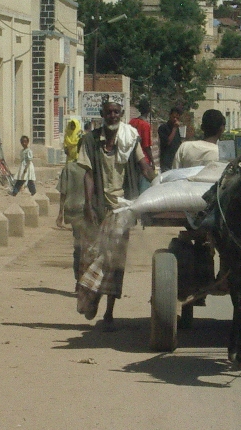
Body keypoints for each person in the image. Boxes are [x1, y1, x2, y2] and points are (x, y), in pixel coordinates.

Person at [76, 101, 155, 331]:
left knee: (113, 260)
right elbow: (88, 175)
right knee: (90, 256)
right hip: (99, 207)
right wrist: (89, 205)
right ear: (102, 115)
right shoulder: (90, 142)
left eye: (116, 112)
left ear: (121, 115)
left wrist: (158, 180)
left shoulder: (130, 139)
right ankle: (92, 300)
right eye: (108, 112)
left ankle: (109, 312)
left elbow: (144, 166)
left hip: (123, 209)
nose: (112, 116)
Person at [56, 157, 87, 280]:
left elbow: (63, 192)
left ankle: (79, 280)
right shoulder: (92, 167)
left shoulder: (69, 168)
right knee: (88, 247)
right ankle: (85, 280)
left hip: (73, 211)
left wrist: (60, 213)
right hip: (89, 212)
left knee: (78, 247)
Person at [129, 98, 154, 193]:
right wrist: (152, 161)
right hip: (144, 160)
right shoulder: (145, 125)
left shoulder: (132, 122)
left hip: (132, 159)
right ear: (148, 110)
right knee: (144, 190)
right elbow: (147, 146)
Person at [158, 106, 184, 172]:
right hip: (166, 163)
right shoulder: (163, 128)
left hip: (175, 162)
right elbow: (168, 142)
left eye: (177, 118)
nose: (175, 119)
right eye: (173, 117)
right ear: (170, 115)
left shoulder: (177, 129)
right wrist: (174, 128)